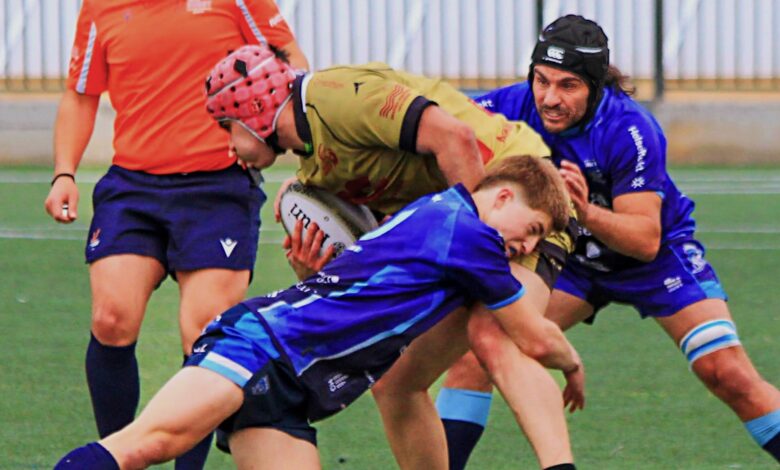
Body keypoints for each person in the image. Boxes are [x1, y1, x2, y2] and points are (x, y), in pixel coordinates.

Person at [54, 154, 581, 470]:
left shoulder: (443, 216)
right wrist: (573, 366)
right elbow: (533, 337)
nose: (525, 246)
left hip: (291, 388)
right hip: (260, 347)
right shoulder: (468, 234)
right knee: (146, 445)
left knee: (150, 445)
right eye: (532, 229)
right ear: (503, 197)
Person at [206, 44, 583, 469]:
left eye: (227, 127)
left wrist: (474, 242)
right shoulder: (314, 176)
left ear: (254, 109)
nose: (229, 146)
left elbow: (454, 137)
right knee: (396, 383)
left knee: (492, 333)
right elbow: (372, 261)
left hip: (524, 201)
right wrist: (311, 271)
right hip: (467, 231)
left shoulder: (336, 96)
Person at [437, 14, 780, 466]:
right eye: (542, 80)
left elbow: (644, 240)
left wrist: (585, 211)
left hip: (654, 262)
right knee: (476, 354)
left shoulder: (631, 129)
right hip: (572, 262)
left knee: (727, 373)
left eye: (568, 86)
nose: (550, 98)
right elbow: (441, 128)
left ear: (596, 84)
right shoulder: (510, 105)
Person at [43, 2, 308, 468]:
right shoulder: (99, 7)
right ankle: (118, 457)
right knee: (111, 318)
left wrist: (274, 136)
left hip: (219, 186)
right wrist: (64, 172)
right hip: (133, 184)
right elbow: (81, 94)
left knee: (204, 331)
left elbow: (291, 64)